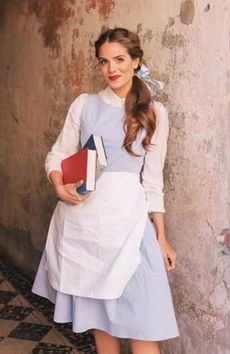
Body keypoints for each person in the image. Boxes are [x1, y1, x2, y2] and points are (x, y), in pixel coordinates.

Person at [32, 27, 179, 354]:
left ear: (136, 61)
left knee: (143, 328)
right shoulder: (84, 105)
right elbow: (58, 153)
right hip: (83, 224)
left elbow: (153, 180)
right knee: (101, 325)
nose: (111, 69)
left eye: (119, 60)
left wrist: (161, 237)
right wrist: (59, 184)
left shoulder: (155, 112)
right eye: (104, 61)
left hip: (129, 223)